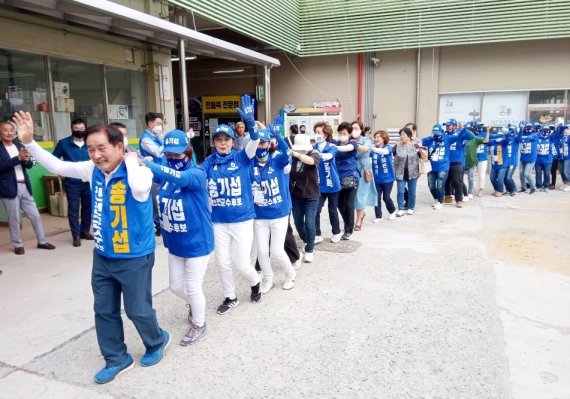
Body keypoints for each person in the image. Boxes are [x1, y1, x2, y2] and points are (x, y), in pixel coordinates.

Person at [14, 112, 169, 384]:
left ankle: (156, 341)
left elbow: (140, 189)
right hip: (103, 255)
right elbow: (58, 166)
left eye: (102, 148)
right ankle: (117, 358)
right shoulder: (92, 170)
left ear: (119, 147)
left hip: (134, 256)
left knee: (137, 310)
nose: (96, 155)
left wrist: (131, 160)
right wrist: (30, 142)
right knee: (104, 310)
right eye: (91, 149)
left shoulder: (140, 171)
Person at [144, 129, 213, 346]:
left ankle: (199, 323)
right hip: (175, 243)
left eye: (178, 154)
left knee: (193, 287)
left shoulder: (196, 174)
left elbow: (181, 178)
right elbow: (148, 176)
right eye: (169, 155)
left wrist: (152, 164)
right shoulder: (164, 177)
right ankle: (196, 304)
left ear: (188, 152)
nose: (173, 159)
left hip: (197, 242)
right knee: (176, 287)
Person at [199, 95, 263, 314]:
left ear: (232, 141)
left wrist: (251, 124)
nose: (223, 143)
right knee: (222, 262)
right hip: (218, 221)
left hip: (242, 219)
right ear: (214, 143)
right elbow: (196, 176)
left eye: (226, 139)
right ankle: (230, 297)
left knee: (242, 263)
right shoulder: (209, 162)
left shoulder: (242, 157)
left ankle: (255, 282)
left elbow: (254, 141)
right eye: (219, 140)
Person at [252, 121, 297, 293]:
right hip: (259, 215)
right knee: (262, 251)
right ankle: (268, 278)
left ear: (269, 144)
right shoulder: (250, 164)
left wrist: (278, 135)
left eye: (263, 143)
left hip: (279, 214)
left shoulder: (277, 160)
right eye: (257, 143)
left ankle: (290, 274)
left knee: (277, 250)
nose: (260, 146)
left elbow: (288, 152)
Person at [0, 120, 56, 255]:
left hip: (24, 185)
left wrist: (25, 159)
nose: (9, 133)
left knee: (35, 215)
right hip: (9, 187)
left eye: (11, 130)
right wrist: (18, 158)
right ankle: (17, 244)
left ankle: (42, 241)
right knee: (14, 219)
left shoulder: (19, 145)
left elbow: (29, 165)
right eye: (5, 130)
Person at [52, 118, 93, 247]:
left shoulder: (90, 142)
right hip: (72, 182)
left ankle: (85, 231)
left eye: (82, 129)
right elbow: (53, 160)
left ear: (85, 129)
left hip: (88, 181)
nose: (79, 131)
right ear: (72, 129)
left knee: (88, 208)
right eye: (76, 129)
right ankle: (76, 235)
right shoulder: (64, 143)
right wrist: (60, 172)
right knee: (73, 209)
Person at [289, 133, 320, 263]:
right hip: (297, 195)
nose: (301, 150)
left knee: (309, 223)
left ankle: (309, 250)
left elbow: (311, 162)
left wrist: (298, 155)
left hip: (312, 195)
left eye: (303, 149)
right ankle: (307, 240)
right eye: (298, 149)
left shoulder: (314, 154)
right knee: (298, 223)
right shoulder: (292, 158)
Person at [313, 121, 342, 244]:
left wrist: (317, 154)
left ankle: (336, 232)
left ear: (326, 134)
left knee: (332, 210)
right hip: (319, 185)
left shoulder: (332, 147)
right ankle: (317, 234)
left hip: (332, 184)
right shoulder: (313, 148)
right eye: (315, 132)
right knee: (316, 210)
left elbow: (328, 156)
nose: (316, 135)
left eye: (319, 132)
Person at [422, 124, 463, 210]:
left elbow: (459, 136)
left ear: (442, 132)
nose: (436, 134)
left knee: (440, 185)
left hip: (443, 167)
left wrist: (462, 128)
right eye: (435, 133)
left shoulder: (447, 138)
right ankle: (437, 199)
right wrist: (432, 138)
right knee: (431, 186)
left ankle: (440, 202)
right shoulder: (430, 140)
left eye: (438, 133)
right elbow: (421, 142)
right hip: (432, 167)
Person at [139, 112, 165, 236]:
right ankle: (158, 227)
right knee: (155, 203)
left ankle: (160, 225)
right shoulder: (145, 139)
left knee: (159, 201)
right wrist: (166, 141)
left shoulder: (155, 137)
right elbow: (159, 153)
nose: (161, 126)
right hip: (153, 175)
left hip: (160, 173)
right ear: (150, 124)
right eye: (158, 124)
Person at [334, 122, 359, 240]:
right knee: (339, 205)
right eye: (340, 133)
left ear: (349, 134)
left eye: (345, 133)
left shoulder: (353, 143)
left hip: (351, 179)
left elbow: (347, 148)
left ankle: (349, 230)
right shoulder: (335, 143)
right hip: (338, 180)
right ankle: (347, 223)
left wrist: (333, 148)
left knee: (349, 205)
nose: (342, 135)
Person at [442, 118, 475, 207]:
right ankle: (448, 197)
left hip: (457, 162)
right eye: (446, 125)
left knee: (457, 181)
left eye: (449, 125)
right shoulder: (445, 135)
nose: (447, 127)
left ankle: (459, 199)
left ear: (454, 126)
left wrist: (463, 128)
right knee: (446, 181)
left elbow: (472, 137)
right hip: (446, 162)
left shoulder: (460, 134)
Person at [351, 121, 377, 230]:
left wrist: (354, 144)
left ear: (361, 130)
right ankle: (360, 214)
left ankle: (358, 221)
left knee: (360, 195)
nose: (354, 130)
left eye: (356, 128)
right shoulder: (348, 139)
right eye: (352, 128)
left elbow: (366, 149)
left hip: (364, 169)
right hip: (351, 169)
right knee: (352, 196)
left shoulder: (366, 140)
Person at [393, 128, 420, 216]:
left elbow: (423, 156)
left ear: (409, 135)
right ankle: (401, 208)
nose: (402, 136)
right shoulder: (397, 145)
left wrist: (422, 150)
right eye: (400, 135)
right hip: (400, 172)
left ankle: (411, 207)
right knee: (400, 191)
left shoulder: (415, 145)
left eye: (403, 134)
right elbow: (390, 153)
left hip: (413, 172)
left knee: (412, 191)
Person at [370, 130, 396, 222]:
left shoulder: (388, 147)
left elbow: (384, 152)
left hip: (388, 178)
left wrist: (373, 149)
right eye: (375, 137)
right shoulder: (373, 150)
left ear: (384, 138)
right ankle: (378, 216)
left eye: (378, 137)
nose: (376, 139)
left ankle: (392, 211)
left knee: (386, 197)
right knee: (376, 197)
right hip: (377, 179)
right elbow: (366, 156)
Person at [464, 122, 490, 199]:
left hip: (482, 157)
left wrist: (488, 131)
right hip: (473, 158)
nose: (479, 128)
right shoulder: (470, 136)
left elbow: (490, 139)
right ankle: (471, 190)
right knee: (471, 175)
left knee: (481, 175)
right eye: (478, 126)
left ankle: (480, 189)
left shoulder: (483, 134)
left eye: (481, 126)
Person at [487, 130, 510, 196]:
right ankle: (496, 189)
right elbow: (485, 141)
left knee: (500, 178)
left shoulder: (504, 142)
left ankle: (500, 191)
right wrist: (488, 132)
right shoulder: (492, 142)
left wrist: (506, 134)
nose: (499, 138)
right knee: (492, 178)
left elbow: (507, 140)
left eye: (500, 136)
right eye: (498, 136)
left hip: (503, 164)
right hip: (494, 164)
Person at [519, 124, 538, 194]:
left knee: (526, 174)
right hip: (523, 157)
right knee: (521, 173)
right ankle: (523, 187)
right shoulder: (522, 134)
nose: (527, 131)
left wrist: (521, 137)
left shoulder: (534, 135)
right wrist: (520, 130)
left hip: (531, 158)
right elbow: (518, 137)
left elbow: (529, 137)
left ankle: (533, 187)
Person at [535, 126, 554, 192]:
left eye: (546, 132)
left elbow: (557, 135)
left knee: (547, 173)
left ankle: (546, 186)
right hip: (538, 159)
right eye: (543, 132)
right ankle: (538, 186)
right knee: (538, 173)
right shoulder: (537, 137)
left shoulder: (551, 138)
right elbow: (535, 135)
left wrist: (558, 127)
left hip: (548, 159)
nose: (545, 134)